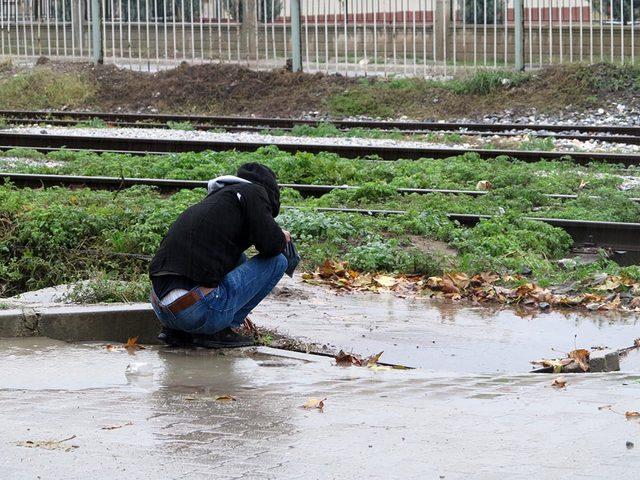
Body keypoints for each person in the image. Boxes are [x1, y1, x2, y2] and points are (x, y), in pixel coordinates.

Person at [149, 162, 291, 348]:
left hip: (163, 312)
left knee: (236, 258)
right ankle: (221, 329)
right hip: (197, 312)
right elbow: (271, 246)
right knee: (277, 261)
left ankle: (180, 333)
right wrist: (282, 236)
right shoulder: (254, 192)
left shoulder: (217, 200)